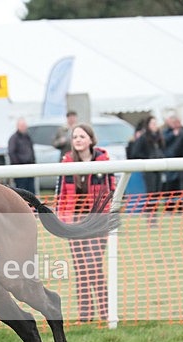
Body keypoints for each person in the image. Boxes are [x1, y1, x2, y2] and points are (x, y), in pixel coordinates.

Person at [58, 123, 115, 322]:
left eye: (82, 136)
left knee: (94, 265)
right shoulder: (66, 163)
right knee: (81, 268)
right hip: (75, 223)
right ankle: (85, 316)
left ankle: (106, 313)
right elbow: (61, 194)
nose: (78, 140)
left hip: (97, 222)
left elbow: (112, 191)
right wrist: (63, 221)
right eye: (75, 137)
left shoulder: (103, 162)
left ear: (91, 139)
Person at [7, 118, 36, 193]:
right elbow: (11, 153)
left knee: (31, 190)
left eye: (25, 125)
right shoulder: (14, 138)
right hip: (19, 170)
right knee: (21, 191)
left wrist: (33, 162)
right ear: (17, 126)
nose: (24, 127)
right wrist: (18, 166)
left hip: (30, 168)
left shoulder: (27, 136)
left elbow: (31, 150)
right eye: (22, 125)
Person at [161, 114, 183, 193]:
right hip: (168, 161)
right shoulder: (165, 131)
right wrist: (173, 134)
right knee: (169, 185)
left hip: (179, 161)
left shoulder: (182, 131)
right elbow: (163, 141)